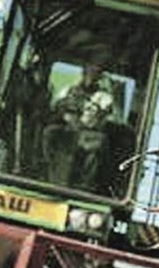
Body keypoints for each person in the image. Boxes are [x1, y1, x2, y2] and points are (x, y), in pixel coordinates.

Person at [43, 62, 117, 192]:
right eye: (88, 73)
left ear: (99, 77)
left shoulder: (104, 97)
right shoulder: (69, 90)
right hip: (67, 130)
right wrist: (64, 109)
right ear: (83, 73)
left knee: (99, 144)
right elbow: (57, 108)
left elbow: (107, 117)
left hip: (89, 133)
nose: (90, 77)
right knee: (50, 132)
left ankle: (85, 185)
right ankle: (46, 170)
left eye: (95, 74)